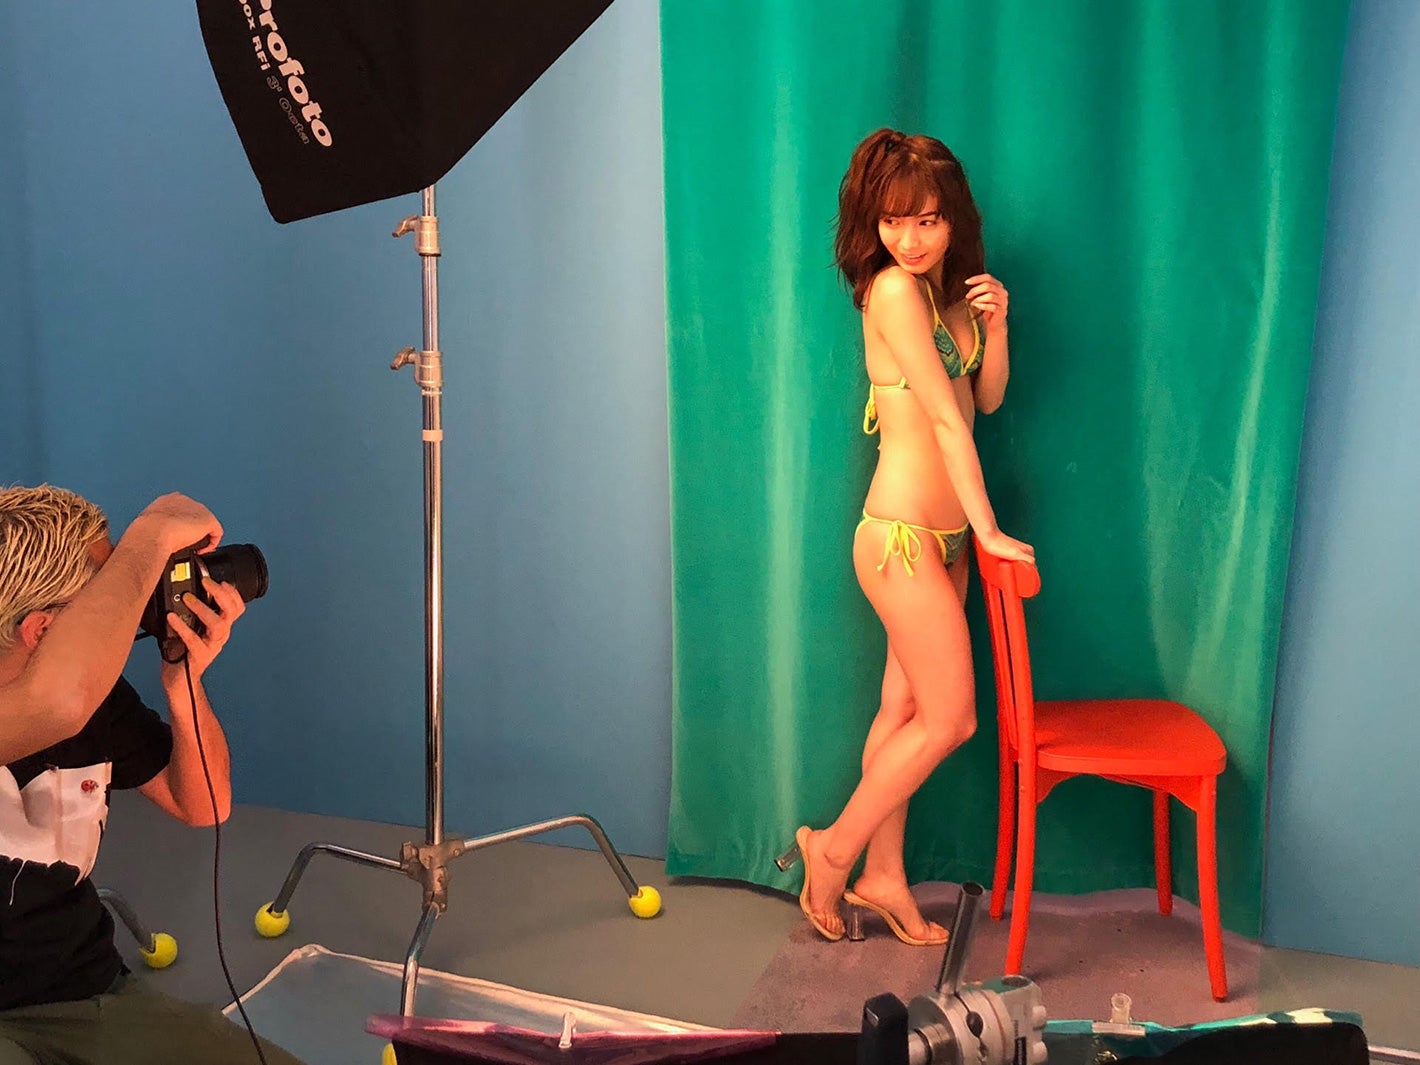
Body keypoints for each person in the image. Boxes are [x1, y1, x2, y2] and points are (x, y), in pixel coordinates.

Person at [786, 130, 1035, 945]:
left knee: (903, 707)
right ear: (874, 222)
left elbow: (983, 404)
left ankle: (884, 876)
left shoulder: (949, 296)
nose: (910, 238)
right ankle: (833, 850)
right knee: (952, 718)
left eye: (928, 220)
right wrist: (991, 531)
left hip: (944, 540)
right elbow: (941, 422)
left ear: (954, 219)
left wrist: (997, 327)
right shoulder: (893, 291)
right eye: (894, 221)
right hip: (899, 538)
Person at [0, 486, 303, 1065]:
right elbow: (55, 705)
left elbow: (204, 806)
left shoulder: (99, 699)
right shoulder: (63, 700)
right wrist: (152, 535)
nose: (130, 604)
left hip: (80, 992)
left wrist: (183, 683)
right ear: (42, 630)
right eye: (109, 594)